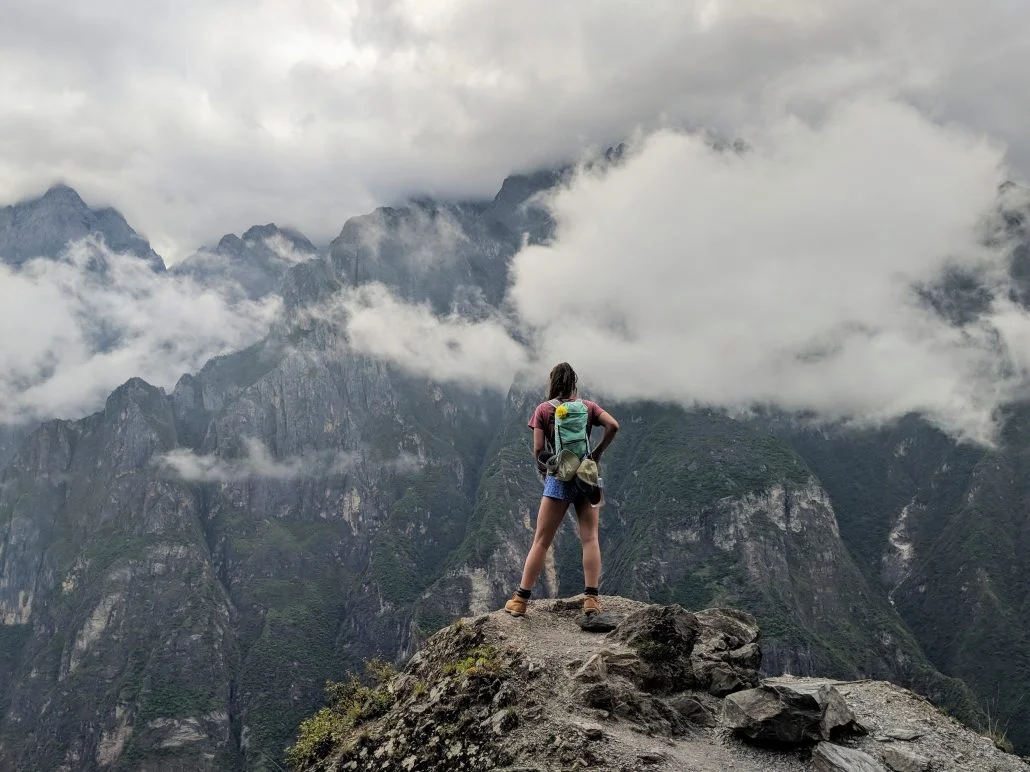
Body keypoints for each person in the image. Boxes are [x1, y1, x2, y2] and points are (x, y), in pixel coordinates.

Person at [504, 362, 620, 617]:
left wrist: (547, 469)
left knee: (541, 541)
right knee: (590, 538)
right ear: (574, 384)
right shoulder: (588, 407)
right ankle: (591, 599)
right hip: (587, 475)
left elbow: (538, 450)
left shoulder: (543, 410)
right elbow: (613, 426)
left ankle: (521, 600)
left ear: (552, 383)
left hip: (559, 478)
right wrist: (596, 454)